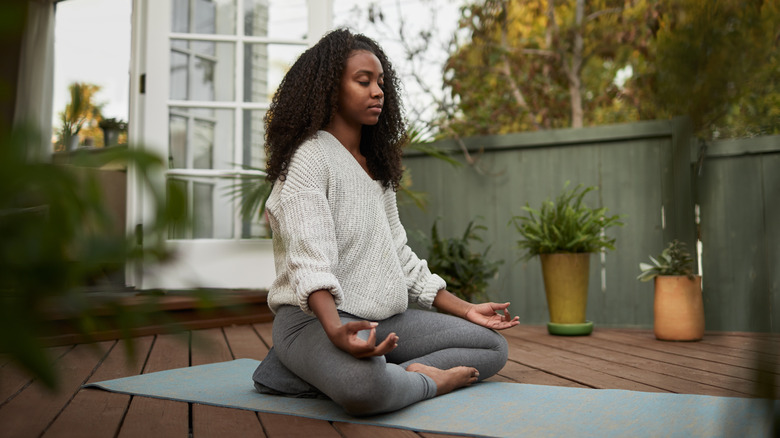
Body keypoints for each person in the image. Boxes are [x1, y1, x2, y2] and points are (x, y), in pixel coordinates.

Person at [252, 28, 519, 416]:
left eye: (380, 82)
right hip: (312, 320)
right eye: (364, 81)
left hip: (382, 318)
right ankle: (420, 379)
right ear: (329, 88)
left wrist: (466, 309)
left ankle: (335, 372)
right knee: (366, 386)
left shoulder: (375, 168)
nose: (378, 91)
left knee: (491, 347)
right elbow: (308, 262)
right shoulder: (309, 159)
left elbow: (400, 257)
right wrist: (335, 333)